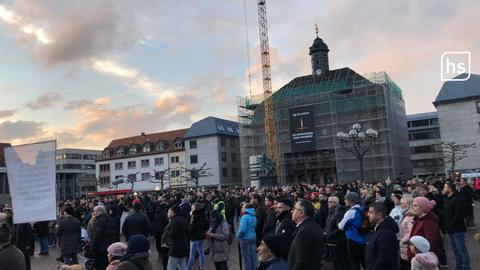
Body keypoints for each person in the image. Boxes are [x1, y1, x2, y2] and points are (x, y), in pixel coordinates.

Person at [287, 199, 325, 270]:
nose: (292, 211)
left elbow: (301, 262)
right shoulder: (312, 226)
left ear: (302, 213)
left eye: (294, 208)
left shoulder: (304, 232)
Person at [443, 181, 471, 270]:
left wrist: (450, 225)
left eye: (445, 187)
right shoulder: (447, 198)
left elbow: (458, 215)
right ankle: (459, 266)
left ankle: (466, 267)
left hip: (457, 229)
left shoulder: (458, 199)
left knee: (462, 250)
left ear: (450, 189)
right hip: (451, 229)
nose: (443, 189)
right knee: (455, 250)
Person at [408, 197, 443, 265]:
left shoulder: (429, 223)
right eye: (413, 206)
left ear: (422, 208)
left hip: (423, 261)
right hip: (418, 259)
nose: (413, 208)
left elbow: (431, 244)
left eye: (415, 206)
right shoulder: (418, 219)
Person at [365, 202, 400, 270]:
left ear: (379, 214)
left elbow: (385, 258)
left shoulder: (385, 233)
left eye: (371, 212)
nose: (368, 215)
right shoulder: (378, 228)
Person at [338, 192, 368, 270]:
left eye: (346, 199)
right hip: (363, 239)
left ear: (351, 201)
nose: (344, 201)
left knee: (354, 263)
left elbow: (341, 226)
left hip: (353, 241)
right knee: (364, 261)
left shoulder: (350, 212)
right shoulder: (361, 208)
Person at [90, 205, 119, 270]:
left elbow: (96, 237)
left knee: (101, 267)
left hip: (101, 250)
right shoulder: (112, 219)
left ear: (99, 211)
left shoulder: (99, 221)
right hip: (111, 249)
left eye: (95, 211)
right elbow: (116, 234)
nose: (94, 213)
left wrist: (92, 250)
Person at [325, 196, 348, 270]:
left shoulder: (339, 213)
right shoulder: (331, 211)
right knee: (335, 261)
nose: (328, 203)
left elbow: (340, 228)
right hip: (331, 241)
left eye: (330, 202)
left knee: (340, 262)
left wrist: (331, 235)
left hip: (337, 242)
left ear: (335, 203)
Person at [166, 205, 189, 270]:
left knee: (170, 267)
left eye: (168, 212)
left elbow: (173, 234)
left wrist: (168, 231)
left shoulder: (174, 221)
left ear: (173, 213)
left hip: (175, 248)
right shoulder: (184, 219)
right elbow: (188, 232)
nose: (167, 214)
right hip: (184, 246)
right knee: (183, 265)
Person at [187, 202, 208, 270]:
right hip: (201, 236)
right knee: (201, 252)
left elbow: (192, 229)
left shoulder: (194, 217)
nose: (191, 209)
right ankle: (201, 267)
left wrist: (188, 233)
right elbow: (206, 226)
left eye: (192, 208)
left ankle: (188, 268)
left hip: (194, 238)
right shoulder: (203, 215)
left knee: (192, 254)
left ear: (195, 208)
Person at [237, 203, 258, 270]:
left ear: (246, 208)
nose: (242, 208)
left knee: (246, 258)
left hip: (245, 238)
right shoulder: (253, 215)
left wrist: (238, 235)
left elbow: (242, 230)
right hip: (253, 237)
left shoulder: (245, 217)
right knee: (253, 256)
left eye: (243, 207)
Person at [399, 196, 415, 270]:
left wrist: (403, 240)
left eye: (403, 203)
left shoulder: (410, 216)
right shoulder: (406, 214)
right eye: (401, 203)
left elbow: (411, 231)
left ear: (408, 204)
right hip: (405, 245)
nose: (401, 205)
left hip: (407, 244)